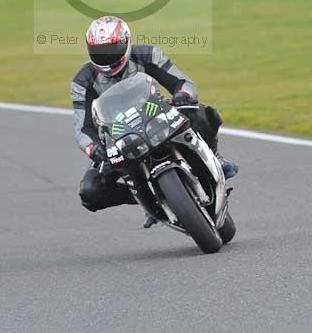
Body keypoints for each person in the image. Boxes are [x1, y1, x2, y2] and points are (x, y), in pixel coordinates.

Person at [71, 16, 238, 225]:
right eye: (99, 52)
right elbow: (83, 128)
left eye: (111, 49)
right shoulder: (82, 80)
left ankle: (214, 158)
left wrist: (183, 94)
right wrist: (93, 148)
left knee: (205, 114)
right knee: (90, 191)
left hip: (155, 115)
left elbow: (181, 81)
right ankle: (148, 198)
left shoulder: (147, 54)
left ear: (125, 43)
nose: (105, 57)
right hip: (118, 135)